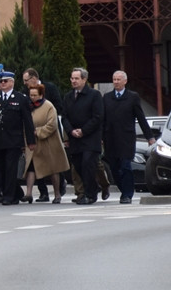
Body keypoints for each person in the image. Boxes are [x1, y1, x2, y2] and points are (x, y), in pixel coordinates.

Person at [102, 70, 153, 203]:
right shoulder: (106, 97)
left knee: (125, 166)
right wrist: (101, 136)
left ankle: (127, 194)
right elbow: (103, 119)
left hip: (126, 139)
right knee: (114, 167)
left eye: (119, 79)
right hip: (110, 139)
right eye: (114, 79)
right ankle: (122, 188)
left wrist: (150, 137)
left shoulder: (132, 97)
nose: (116, 82)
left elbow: (141, 117)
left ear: (125, 81)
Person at [0, 71, 36, 205]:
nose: (2, 84)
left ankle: (9, 196)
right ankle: (16, 193)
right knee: (1, 168)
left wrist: (31, 141)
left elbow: (27, 121)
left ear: (12, 82)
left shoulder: (20, 98)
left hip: (14, 139)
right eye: (1, 81)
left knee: (11, 168)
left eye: (5, 81)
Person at [62, 67, 104, 205]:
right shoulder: (68, 96)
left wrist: (83, 131)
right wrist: (71, 131)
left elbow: (97, 117)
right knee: (79, 166)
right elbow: (65, 117)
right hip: (75, 139)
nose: (73, 81)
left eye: (76, 78)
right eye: (72, 78)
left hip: (90, 138)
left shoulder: (94, 95)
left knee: (88, 164)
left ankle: (90, 194)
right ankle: (93, 187)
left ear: (84, 80)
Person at [22, 84, 69, 204]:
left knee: (53, 168)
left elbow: (52, 124)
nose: (32, 97)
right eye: (30, 95)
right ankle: (28, 193)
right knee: (31, 167)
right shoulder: (28, 106)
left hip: (48, 141)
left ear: (41, 95)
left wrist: (37, 131)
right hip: (33, 142)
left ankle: (57, 194)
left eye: (34, 95)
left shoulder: (48, 106)